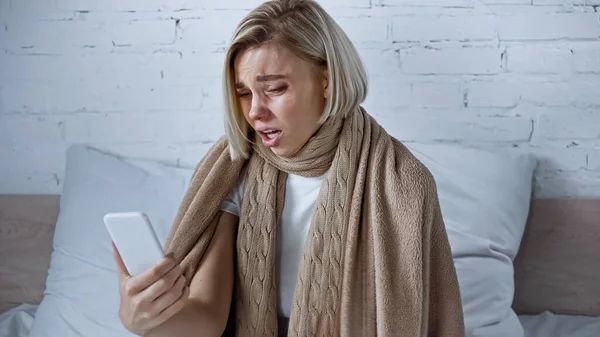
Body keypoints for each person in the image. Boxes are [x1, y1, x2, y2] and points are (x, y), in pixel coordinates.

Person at [112, 0, 466, 336]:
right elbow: (207, 317)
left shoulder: (403, 182)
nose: (254, 112)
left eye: (275, 89)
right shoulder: (234, 170)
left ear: (326, 81)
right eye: (245, 93)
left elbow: (434, 319)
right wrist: (143, 320)